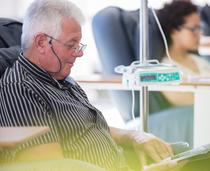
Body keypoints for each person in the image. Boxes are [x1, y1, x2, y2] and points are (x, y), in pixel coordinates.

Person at [0, 0, 178, 171]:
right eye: (71, 45)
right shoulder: (21, 89)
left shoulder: (61, 79)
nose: (80, 53)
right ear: (40, 43)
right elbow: (50, 166)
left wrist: (135, 136)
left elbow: (88, 125)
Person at [157, 0, 210, 106]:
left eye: (200, 28)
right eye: (194, 29)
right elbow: (187, 101)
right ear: (174, 31)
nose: (199, 34)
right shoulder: (165, 70)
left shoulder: (200, 61)